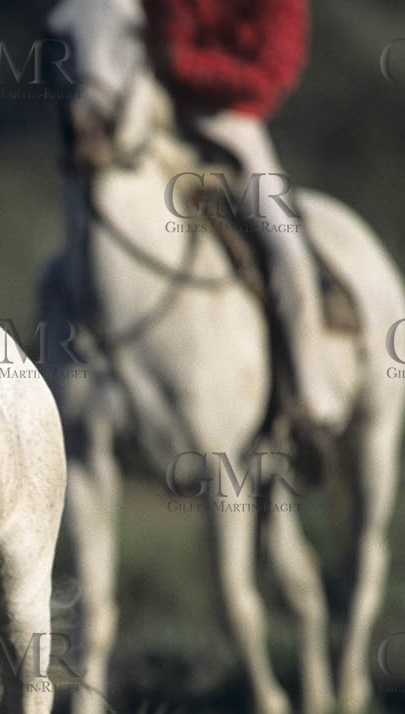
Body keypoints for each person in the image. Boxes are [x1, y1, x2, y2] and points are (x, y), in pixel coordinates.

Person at [144, 0, 345, 430]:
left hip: (231, 126)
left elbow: (270, 77)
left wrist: (183, 64)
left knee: (286, 248)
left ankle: (309, 386)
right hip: (151, 121)